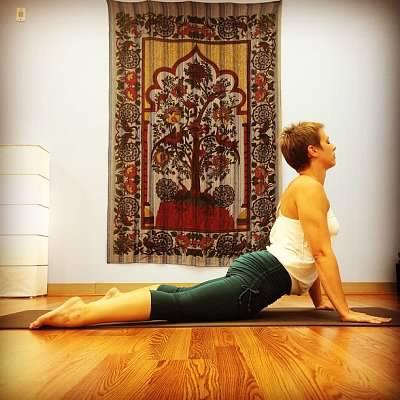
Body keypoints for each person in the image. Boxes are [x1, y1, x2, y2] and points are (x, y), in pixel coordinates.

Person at [29, 122, 391, 329]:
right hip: (263, 277)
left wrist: (320, 303)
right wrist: (345, 312)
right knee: (182, 306)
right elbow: (321, 253)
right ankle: (80, 313)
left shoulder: (308, 188)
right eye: (327, 141)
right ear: (313, 151)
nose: (333, 146)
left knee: (185, 296)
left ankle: (118, 300)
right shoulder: (310, 189)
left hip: (264, 270)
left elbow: (312, 251)